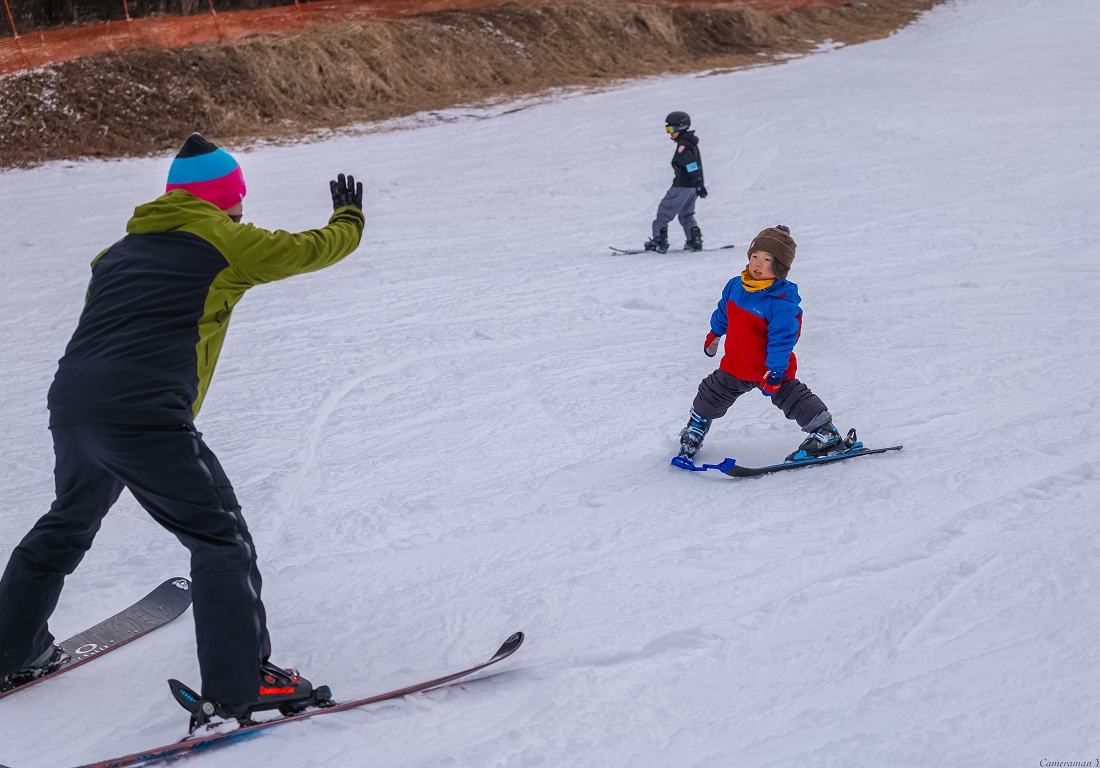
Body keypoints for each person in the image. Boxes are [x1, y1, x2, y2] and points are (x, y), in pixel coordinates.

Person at [0, 133, 364, 727]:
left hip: (72, 405)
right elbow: (309, 250)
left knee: (67, 522)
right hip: (145, 414)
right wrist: (348, 219)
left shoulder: (116, 252)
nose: (243, 211)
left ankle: (9, 650)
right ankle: (240, 685)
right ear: (226, 200)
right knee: (221, 539)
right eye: (239, 202)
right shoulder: (226, 239)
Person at [676, 225, 842, 463]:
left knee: (794, 397)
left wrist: (775, 371)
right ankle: (696, 428)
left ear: (779, 267)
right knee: (710, 392)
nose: (757, 264)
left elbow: (782, 340)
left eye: (766, 259)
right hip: (736, 365)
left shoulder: (781, 302)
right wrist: (715, 332)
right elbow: (724, 310)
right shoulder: (735, 286)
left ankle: (826, 433)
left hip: (769, 369)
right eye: (754, 256)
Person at [644, 110, 708, 254]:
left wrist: (697, 181)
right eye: (667, 129)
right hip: (691, 188)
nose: (669, 133)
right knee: (686, 214)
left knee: (663, 213)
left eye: (671, 129)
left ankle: (659, 241)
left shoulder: (683, 146)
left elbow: (690, 164)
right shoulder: (690, 142)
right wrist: (698, 184)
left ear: (681, 128)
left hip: (682, 185)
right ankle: (694, 240)